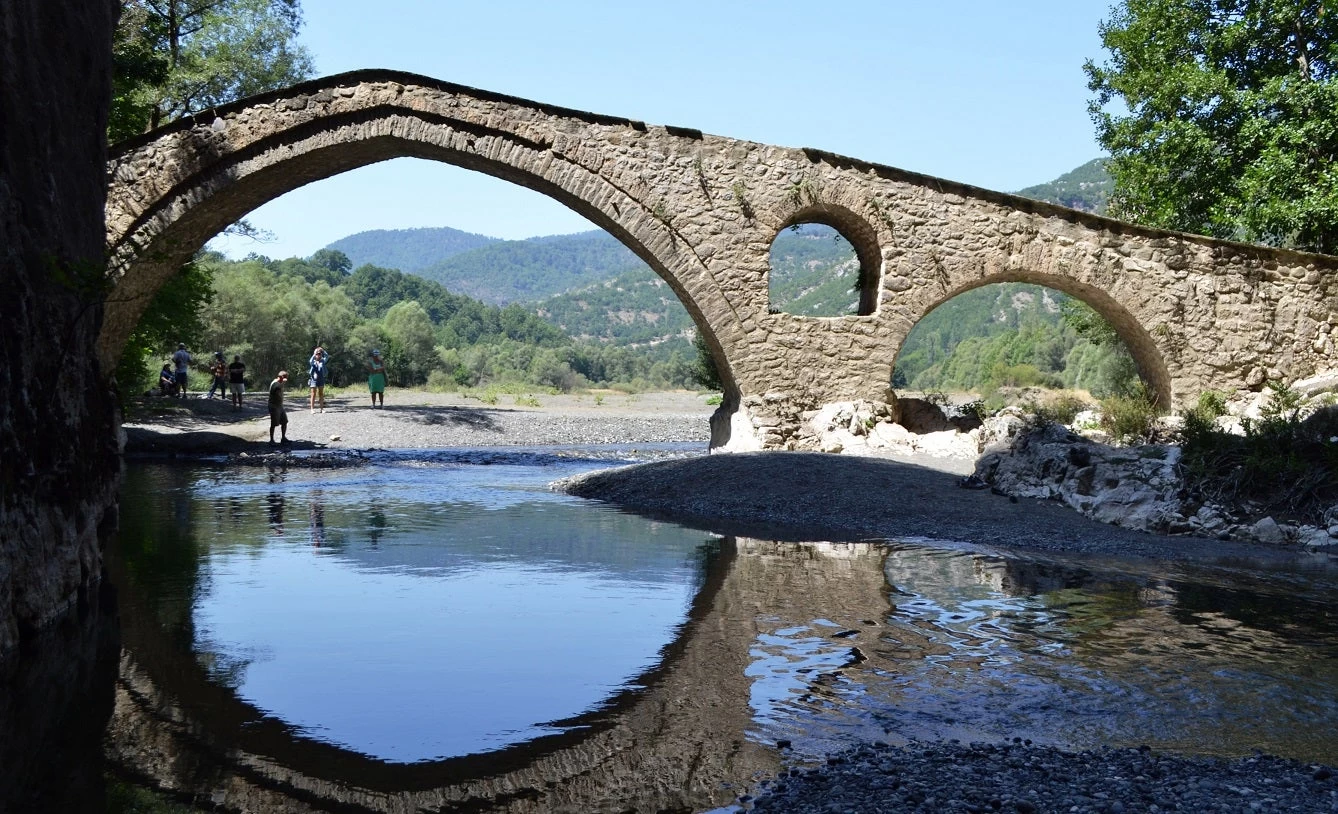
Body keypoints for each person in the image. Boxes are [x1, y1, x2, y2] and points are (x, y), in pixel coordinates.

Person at [268, 370, 290, 445]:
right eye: (285, 378)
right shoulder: (275, 383)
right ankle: (271, 440)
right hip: (274, 406)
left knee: (284, 421)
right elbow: (277, 389)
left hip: (280, 405)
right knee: (273, 423)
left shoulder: (279, 383)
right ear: (281, 377)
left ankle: (283, 438)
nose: (286, 380)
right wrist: (283, 382)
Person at [308, 346, 329, 413]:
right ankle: (312, 409)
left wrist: (322, 350)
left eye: (319, 354)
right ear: (315, 355)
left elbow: (327, 356)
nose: (318, 355)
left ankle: (322, 409)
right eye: (317, 354)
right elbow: (310, 361)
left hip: (321, 378)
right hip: (313, 379)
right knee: (313, 394)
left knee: (321, 394)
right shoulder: (313, 361)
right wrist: (315, 352)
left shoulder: (323, 361)